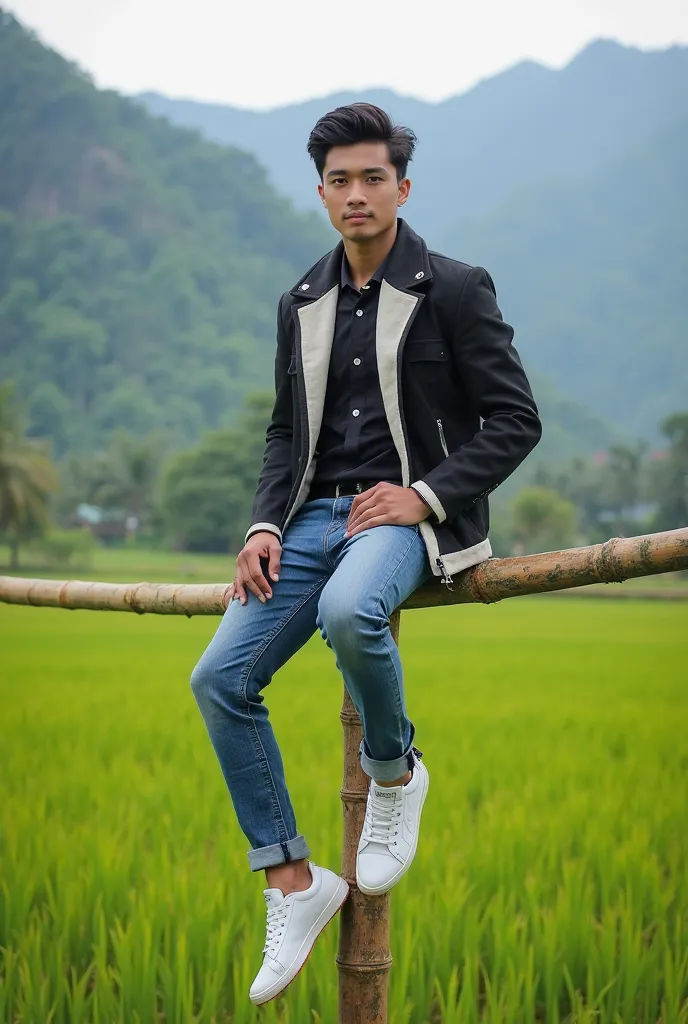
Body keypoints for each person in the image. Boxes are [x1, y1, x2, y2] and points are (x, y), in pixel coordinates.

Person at [190, 102, 542, 1005]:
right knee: (217, 680)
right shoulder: (300, 300)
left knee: (353, 612)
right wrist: (263, 524)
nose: (356, 194)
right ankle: (293, 880)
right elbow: (283, 433)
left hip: (405, 519)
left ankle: (395, 771)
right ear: (321, 192)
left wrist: (421, 494)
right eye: (339, 180)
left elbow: (515, 421)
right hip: (306, 521)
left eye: (372, 178)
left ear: (402, 188)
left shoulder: (455, 287)